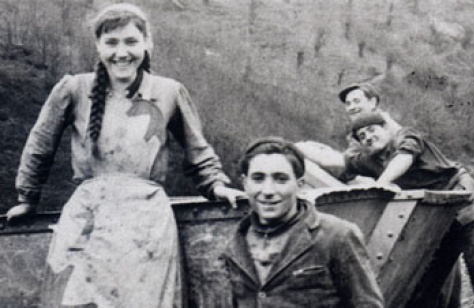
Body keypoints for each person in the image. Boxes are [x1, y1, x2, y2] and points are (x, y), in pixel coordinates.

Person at [6, 3, 245, 308]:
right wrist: (28, 197)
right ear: (98, 46)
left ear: (148, 43)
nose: (122, 52)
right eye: (112, 42)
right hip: (87, 222)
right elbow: (40, 144)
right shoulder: (74, 89)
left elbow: (198, 150)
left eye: (132, 41)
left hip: (147, 226)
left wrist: (217, 185)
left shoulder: (169, 91)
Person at [222, 137, 384, 308]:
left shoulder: (337, 236)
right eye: (258, 178)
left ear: (299, 185)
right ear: (245, 183)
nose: (268, 190)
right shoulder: (233, 244)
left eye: (281, 179)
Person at [344, 112, 474, 307]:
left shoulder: (406, 136)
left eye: (372, 130)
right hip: (434, 212)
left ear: (386, 128)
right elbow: (335, 160)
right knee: (426, 275)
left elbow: (405, 156)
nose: (368, 137)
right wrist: (299, 149)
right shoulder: (370, 160)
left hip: (463, 194)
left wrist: (382, 182)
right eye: (362, 136)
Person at [296, 82, 401, 185]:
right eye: (348, 104)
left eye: (357, 101)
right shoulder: (358, 131)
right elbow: (351, 159)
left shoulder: (387, 126)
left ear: (372, 102)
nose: (352, 107)